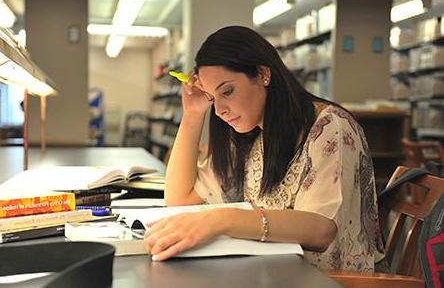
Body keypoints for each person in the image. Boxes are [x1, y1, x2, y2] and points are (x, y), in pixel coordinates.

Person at [144, 26, 385, 271]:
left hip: (327, 281)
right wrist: (193, 114)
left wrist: (222, 220)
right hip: (273, 274)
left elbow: (321, 229)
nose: (219, 110)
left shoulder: (330, 126)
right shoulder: (250, 136)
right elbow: (179, 200)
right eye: (211, 97)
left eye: (227, 91)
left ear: (262, 74)